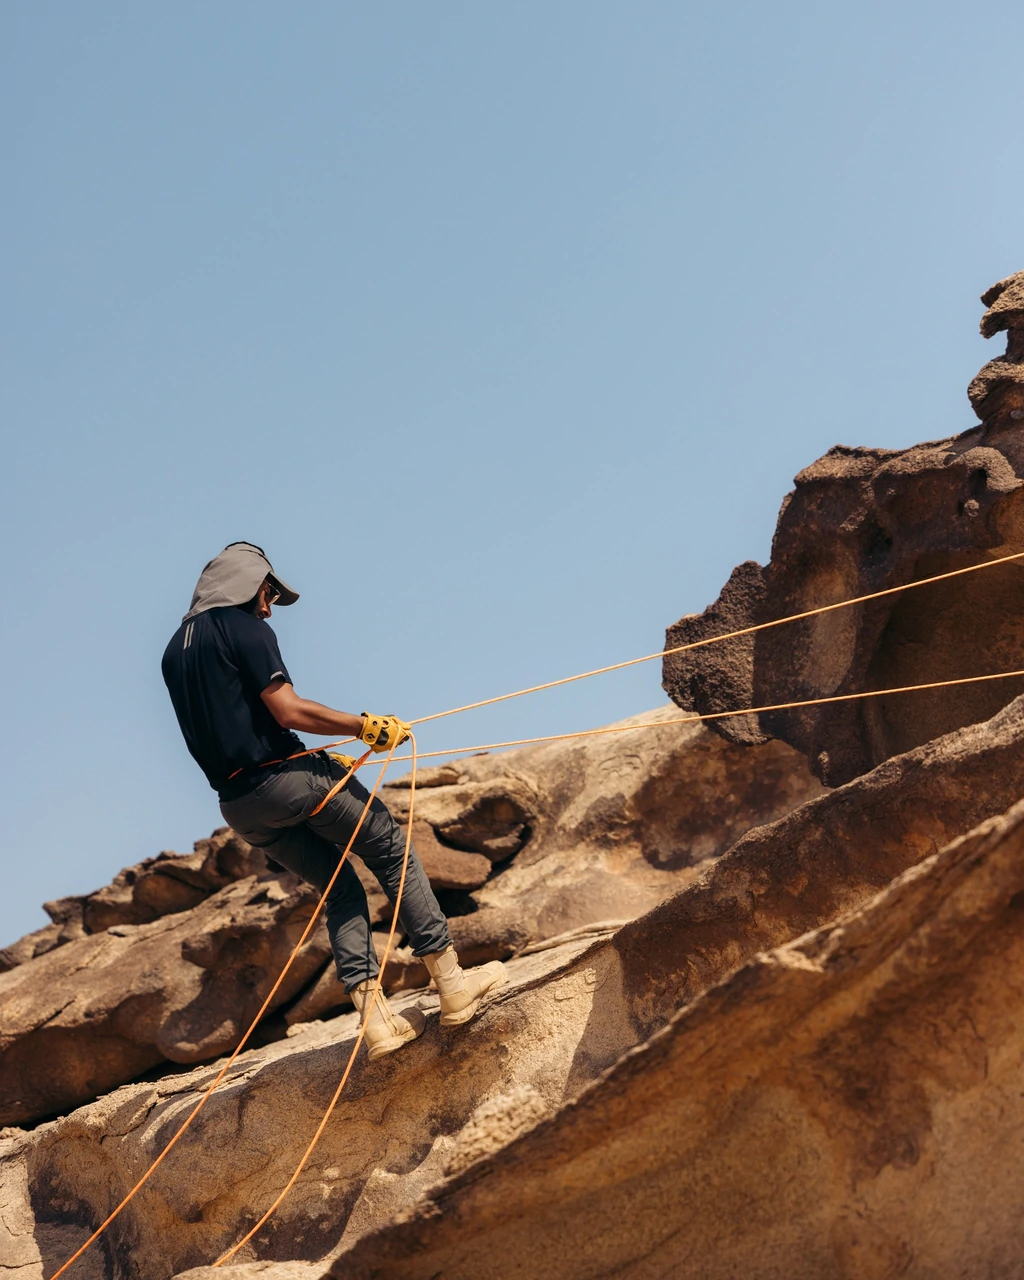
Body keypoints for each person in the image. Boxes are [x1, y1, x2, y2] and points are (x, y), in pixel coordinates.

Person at [161, 541, 505, 1059]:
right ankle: (453, 986)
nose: (269, 604)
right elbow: (288, 711)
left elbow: (232, 725)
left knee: (339, 888)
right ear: (245, 581)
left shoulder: (172, 652)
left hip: (239, 806)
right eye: (267, 590)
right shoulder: (245, 627)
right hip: (288, 781)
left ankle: (376, 1025)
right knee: (392, 851)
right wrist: (365, 726)